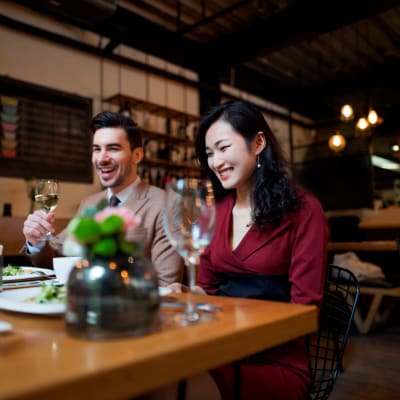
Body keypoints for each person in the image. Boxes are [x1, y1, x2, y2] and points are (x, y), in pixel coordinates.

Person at [171, 101, 329, 399]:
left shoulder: (305, 210)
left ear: (258, 143)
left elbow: (306, 311)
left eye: (223, 147)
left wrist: (233, 328)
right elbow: (208, 290)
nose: (215, 162)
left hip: (275, 360)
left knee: (176, 385)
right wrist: (183, 294)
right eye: (209, 153)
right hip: (220, 348)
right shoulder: (215, 211)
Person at [22, 111, 183, 286]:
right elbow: (57, 256)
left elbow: (166, 285)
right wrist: (36, 241)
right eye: (97, 149)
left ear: (137, 155)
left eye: (113, 148)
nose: (101, 158)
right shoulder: (89, 203)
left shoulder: (167, 204)